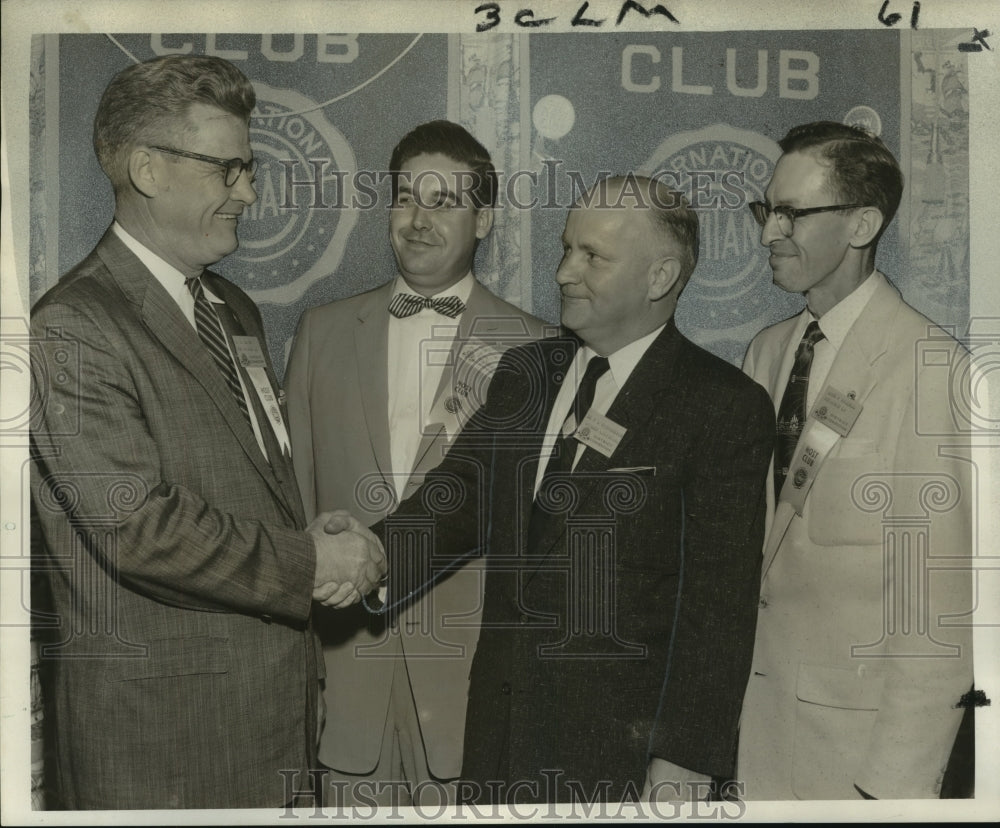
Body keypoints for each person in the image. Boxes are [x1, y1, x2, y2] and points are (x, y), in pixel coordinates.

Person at [317, 174, 775, 804]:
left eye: (592, 256)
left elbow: (718, 607)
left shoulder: (723, 407)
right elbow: (456, 500)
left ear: (660, 276)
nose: (564, 273)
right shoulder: (529, 371)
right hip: (498, 741)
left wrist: (685, 760)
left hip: (621, 758)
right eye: (566, 249)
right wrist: (369, 554)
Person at [29, 54, 383, 810]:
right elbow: (137, 525)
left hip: (272, 725)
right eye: (229, 170)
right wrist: (306, 559)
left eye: (247, 169)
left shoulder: (232, 310)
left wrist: (304, 530)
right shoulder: (74, 327)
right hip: (165, 743)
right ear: (149, 168)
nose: (248, 193)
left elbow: (243, 478)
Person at [286, 120, 546, 806]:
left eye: (444, 201)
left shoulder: (540, 349)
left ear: (484, 218)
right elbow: (295, 506)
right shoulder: (320, 333)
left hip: (471, 698)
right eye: (406, 198)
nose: (419, 219)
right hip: (344, 691)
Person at [737, 121, 974, 799]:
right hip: (757, 746)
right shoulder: (766, 353)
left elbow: (934, 618)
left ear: (863, 224)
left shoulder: (928, 369)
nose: (767, 234)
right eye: (766, 211)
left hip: (856, 765)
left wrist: (890, 792)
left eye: (791, 214)